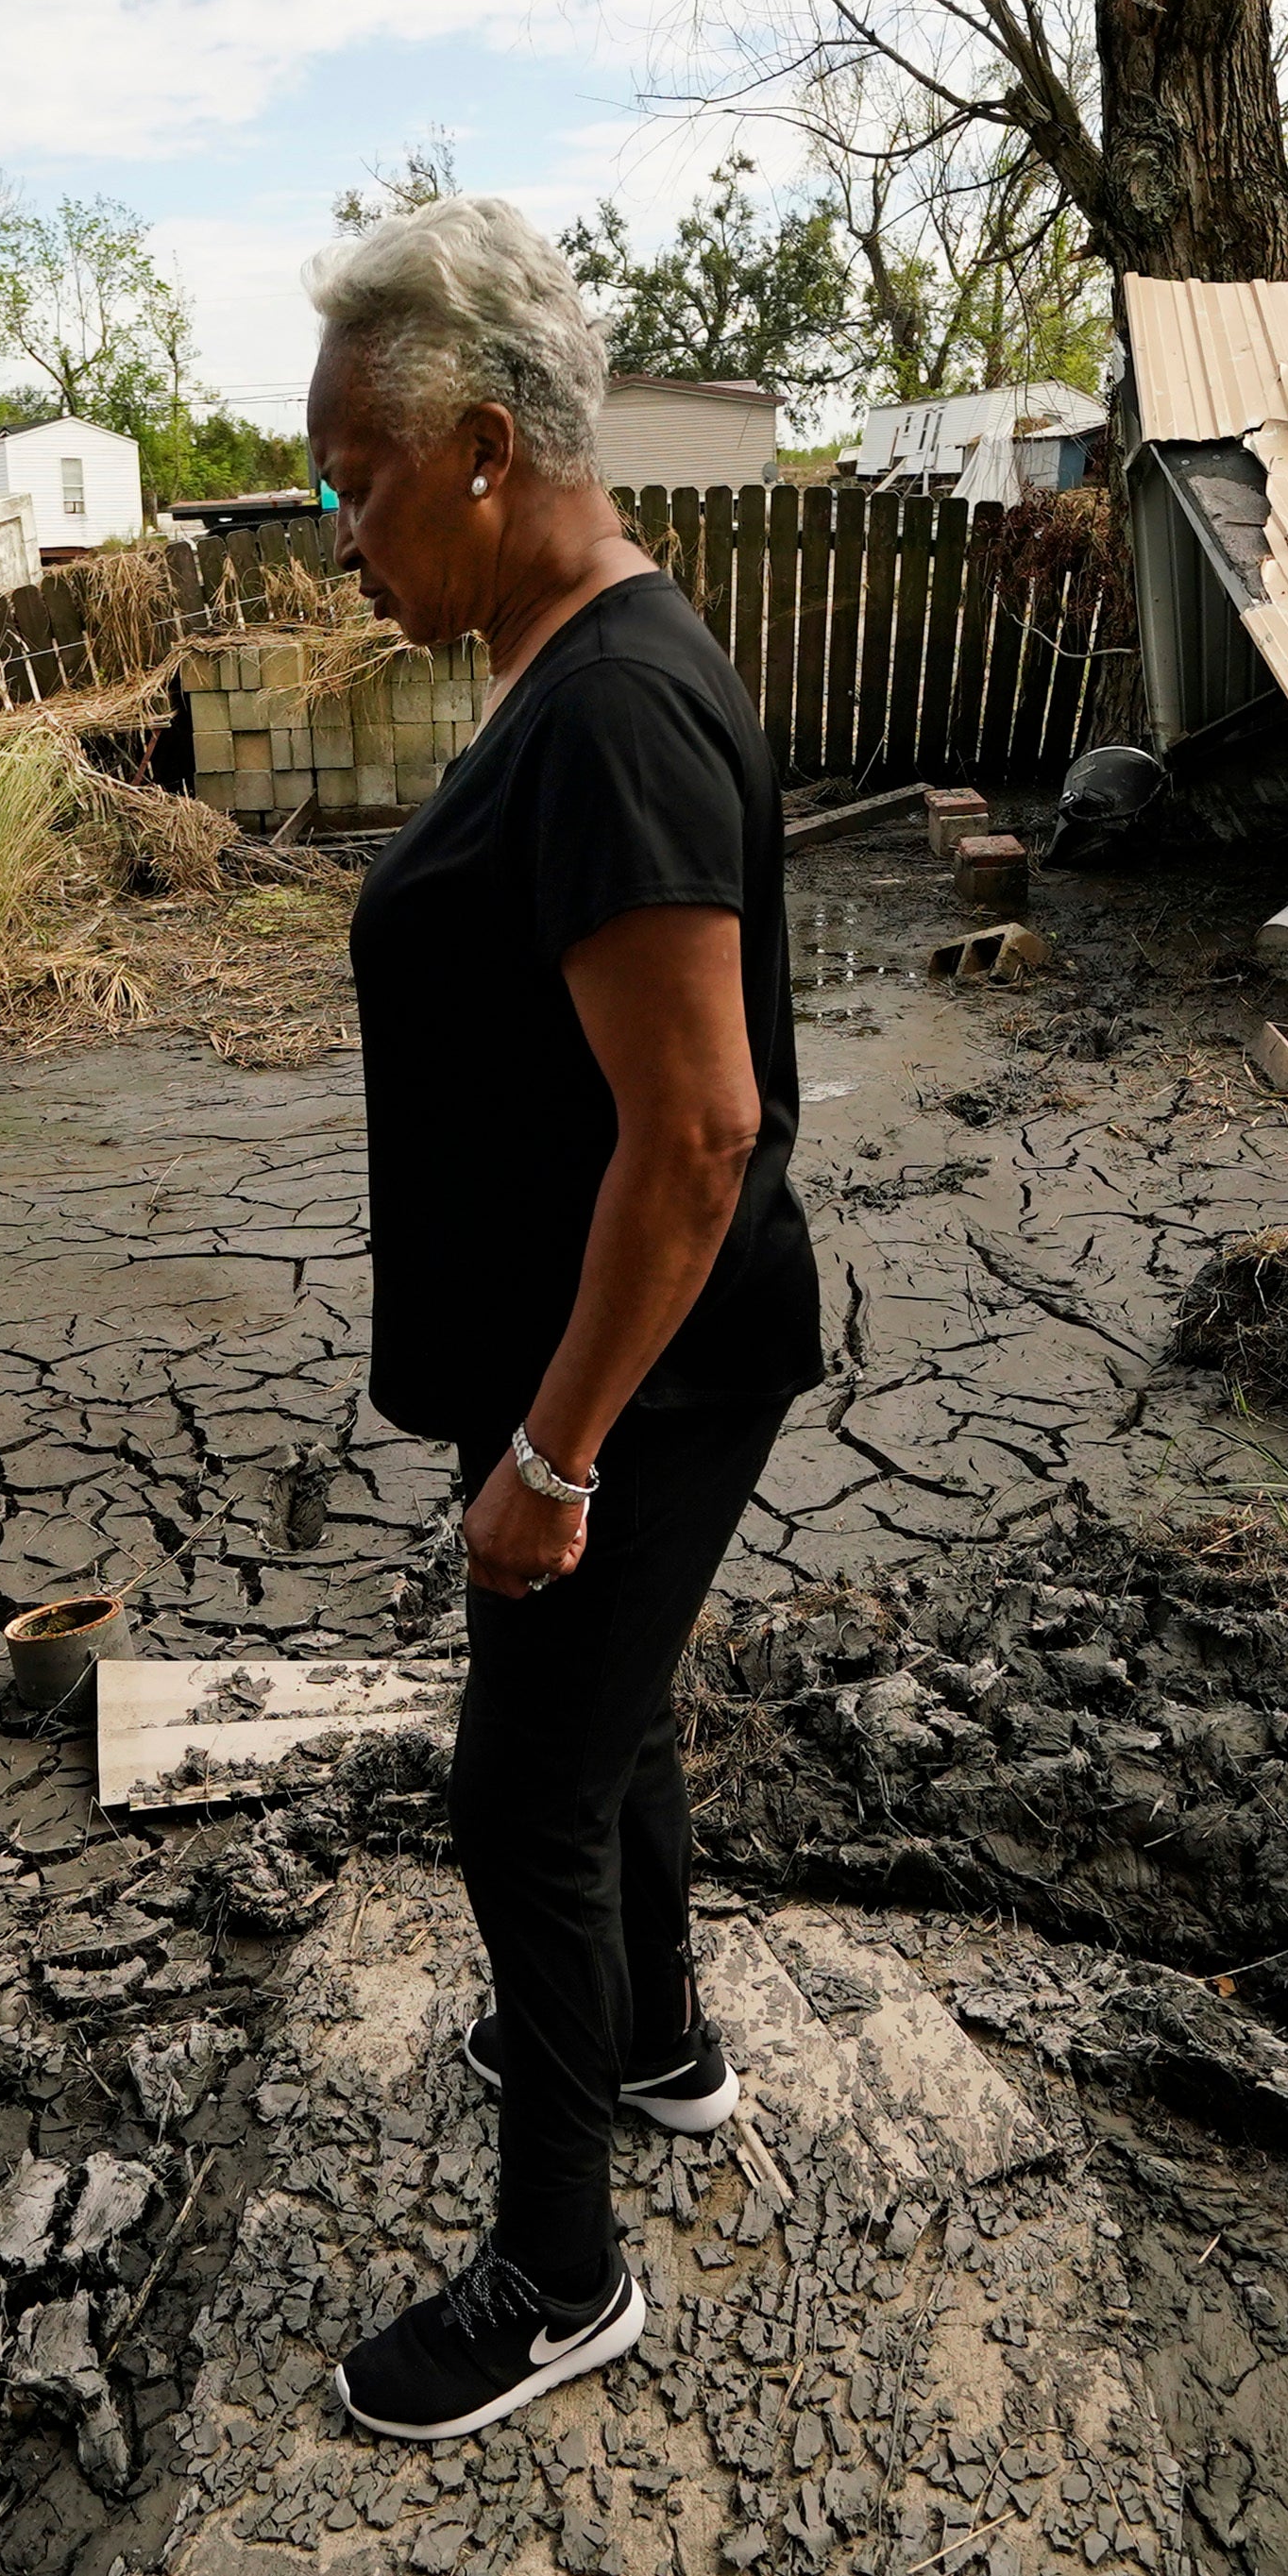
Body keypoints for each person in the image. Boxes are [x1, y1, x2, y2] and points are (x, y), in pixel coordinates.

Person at [300, 195, 823, 2446]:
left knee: (519, 1784)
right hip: (618, 1351)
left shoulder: (608, 705)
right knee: (609, 1724)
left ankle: (558, 2267)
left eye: (353, 478)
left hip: (650, 1358)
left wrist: (554, 1453)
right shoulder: (582, 666)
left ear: (484, 449)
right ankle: (655, 2039)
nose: (335, 532)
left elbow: (696, 1133)